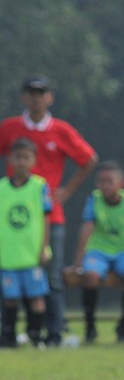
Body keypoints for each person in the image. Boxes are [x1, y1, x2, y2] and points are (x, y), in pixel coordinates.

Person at [0, 75, 98, 345]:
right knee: (8, 276)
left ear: (49, 98)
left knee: (51, 276)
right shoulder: (10, 128)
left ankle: (53, 332)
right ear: (23, 97)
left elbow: (89, 159)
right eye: (31, 92)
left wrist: (67, 190)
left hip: (49, 216)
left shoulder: (61, 130)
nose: (36, 97)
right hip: (13, 222)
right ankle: (8, 333)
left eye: (41, 92)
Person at [72, 161, 124, 344]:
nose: (104, 185)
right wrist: (78, 261)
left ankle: (123, 327)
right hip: (98, 250)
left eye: (109, 181)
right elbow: (87, 229)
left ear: (121, 183)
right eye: (101, 181)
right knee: (90, 276)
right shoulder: (94, 200)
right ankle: (90, 327)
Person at [0, 139, 53, 347]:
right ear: (10, 159)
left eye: (26, 157)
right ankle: (9, 335)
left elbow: (47, 219)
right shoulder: (2, 187)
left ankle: (35, 335)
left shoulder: (40, 186)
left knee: (36, 296)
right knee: (10, 298)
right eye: (17, 157)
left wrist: (44, 248)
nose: (21, 162)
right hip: (8, 255)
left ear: (34, 161)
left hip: (32, 254)